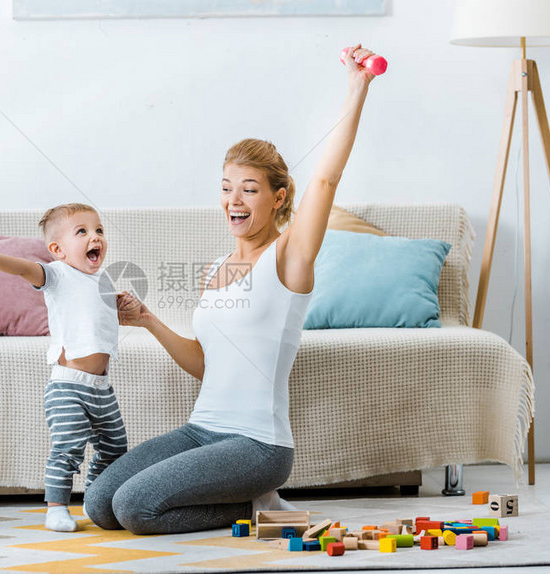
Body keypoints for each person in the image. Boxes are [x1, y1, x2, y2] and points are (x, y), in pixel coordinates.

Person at [84, 45, 378, 534]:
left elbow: (326, 178)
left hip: (258, 446)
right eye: (225, 187)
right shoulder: (215, 269)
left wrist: (357, 86)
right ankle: (251, 503)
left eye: (248, 188)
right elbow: (206, 364)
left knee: (135, 508)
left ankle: (258, 506)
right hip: (202, 431)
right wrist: (148, 319)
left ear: (278, 196)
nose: (233, 200)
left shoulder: (289, 258)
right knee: (99, 503)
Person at [0, 203, 127, 532]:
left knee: (116, 448)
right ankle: (56, 508)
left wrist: (121, 303)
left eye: (99, 231)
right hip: (68, 387)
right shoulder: (57, 274)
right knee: (68, 448)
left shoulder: (103, 278)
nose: (95, 237)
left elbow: (95, 316)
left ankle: (94, 497)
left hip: (101, 388)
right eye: (82, 232)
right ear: (58, 250)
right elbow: (23, 269)